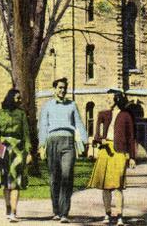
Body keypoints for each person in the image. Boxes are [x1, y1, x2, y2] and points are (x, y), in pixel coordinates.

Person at [38, 77, 88, 223]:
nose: (62, 90)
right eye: (60, 87)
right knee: (55, 178)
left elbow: (79, 123)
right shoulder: (47, 106)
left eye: (64, 88)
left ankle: (64, 212)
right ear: (54, 89)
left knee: (67, 175)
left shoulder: (72, 105)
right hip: (52, 141)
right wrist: (42, 145)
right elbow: (43, 126)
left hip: (68, 142)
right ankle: (56, 211)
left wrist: (85, 141)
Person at [87, 91, 137, 226]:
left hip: (119, 152)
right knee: (105, 186)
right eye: (107, 98)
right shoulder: (103, 114)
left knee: (118, 186)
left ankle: (120, 216)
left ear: (116, 99)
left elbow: (131, 137)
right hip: (105, 151)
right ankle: (107, 214)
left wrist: (132, 157)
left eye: (110, 98)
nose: (107, 100)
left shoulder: (126, 116)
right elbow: (96, 133)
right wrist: (99, 140)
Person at [0, 88, 32, 222]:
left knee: (16, 181)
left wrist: (29, 152)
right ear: (10, 98)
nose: (20, 101)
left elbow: (26, 134)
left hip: (18, 149)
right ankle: (8, 207)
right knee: (5, 180)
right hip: (3, 148)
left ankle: (13, 211)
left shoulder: (21, 114)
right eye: (17, 98)